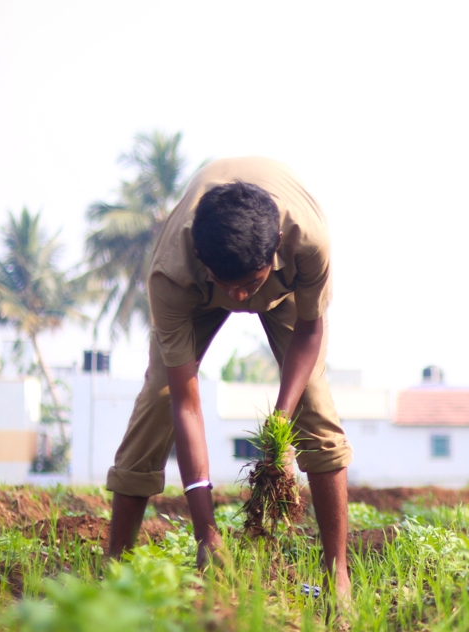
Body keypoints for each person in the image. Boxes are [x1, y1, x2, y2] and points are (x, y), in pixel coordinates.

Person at [105, 157, 352, 599]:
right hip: (197, 291)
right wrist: (206, 532)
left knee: (314, 404)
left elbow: (309, 331)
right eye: (229, 286)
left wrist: (281, 426)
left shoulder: (308, 243)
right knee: (158, 402)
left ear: (274, 248)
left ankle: (338, 577)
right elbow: (185, 400)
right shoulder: (172, 274)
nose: (239, 299)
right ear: (202, 258)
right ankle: (112, 572)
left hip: (285, 289)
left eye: (249, 284)